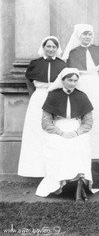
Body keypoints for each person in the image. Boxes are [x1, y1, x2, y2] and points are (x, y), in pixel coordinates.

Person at [36, 68, 94, 201]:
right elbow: (46, 123)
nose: (72, 83)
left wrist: (76, 132)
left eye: (75, 80)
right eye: (69, 80)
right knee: (58, 145)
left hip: (76, 129)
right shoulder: (53, 95)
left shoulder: (82, 96)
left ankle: (79, 183)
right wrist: (60, 132)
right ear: (62, 80)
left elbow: (88, 123)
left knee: (81, 144)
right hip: (58, 129)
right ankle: (60, 184)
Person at [18, 36, 66, 178]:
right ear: (43, 47)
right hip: (38, 99)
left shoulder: (62, 64)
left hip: (56, 98)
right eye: (48, 46)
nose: (51, 49)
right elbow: (28, 79)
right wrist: (33, 94)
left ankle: (54, 171)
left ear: (57, 49)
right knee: (36, 132)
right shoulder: (35, 63)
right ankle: (36, 170)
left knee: (55, 131)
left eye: (54, 47)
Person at [63, 24, 99, 165]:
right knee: (82, 116)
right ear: (79, 36)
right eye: (84, 34)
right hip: (80, 83)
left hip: (97, 84)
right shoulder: (72, 52)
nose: (87, 37)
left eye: (89, 34)